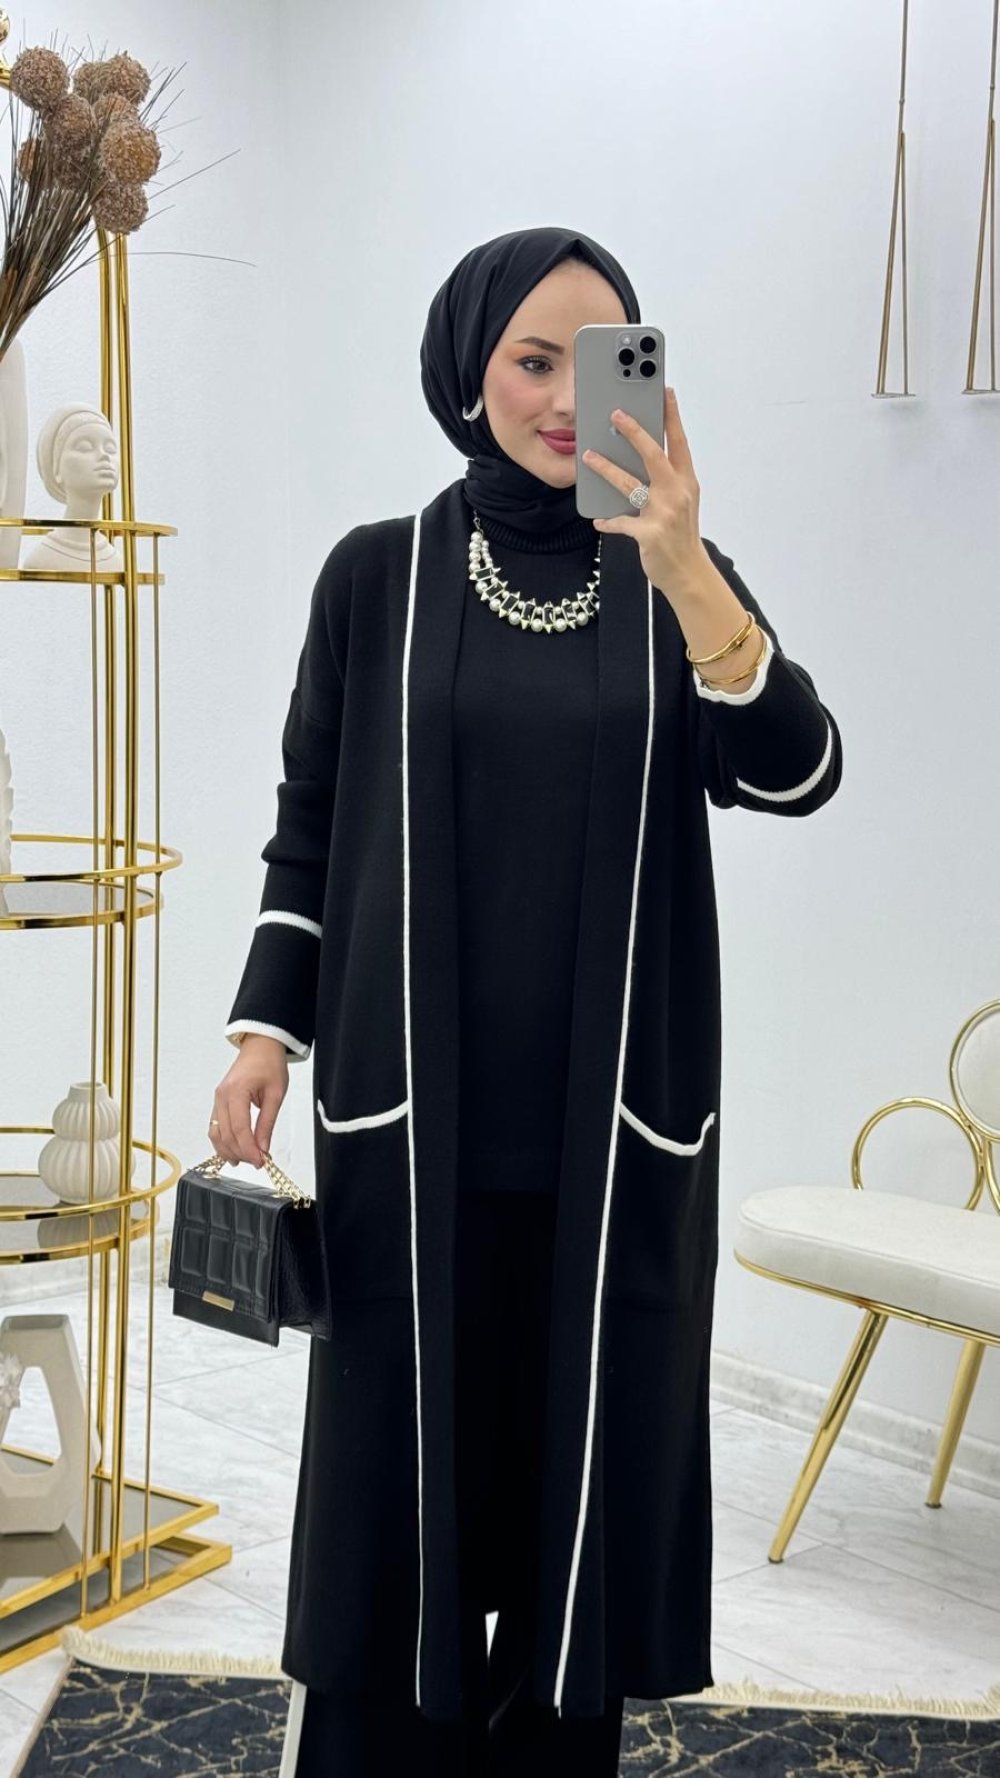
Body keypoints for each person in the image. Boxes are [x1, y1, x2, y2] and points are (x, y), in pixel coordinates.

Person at [208, 226, 844, 1774]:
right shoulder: (376, 574)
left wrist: (686, 565)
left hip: (611, 1141)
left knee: (580, 1491)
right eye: (532, 359)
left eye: (601, 360)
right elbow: (311, 819)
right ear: (468, 370)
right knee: (400, 1483)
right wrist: (263, 1028)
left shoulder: (674, 581)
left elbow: (801, 770)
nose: (567, 398)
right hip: (408, 1124)